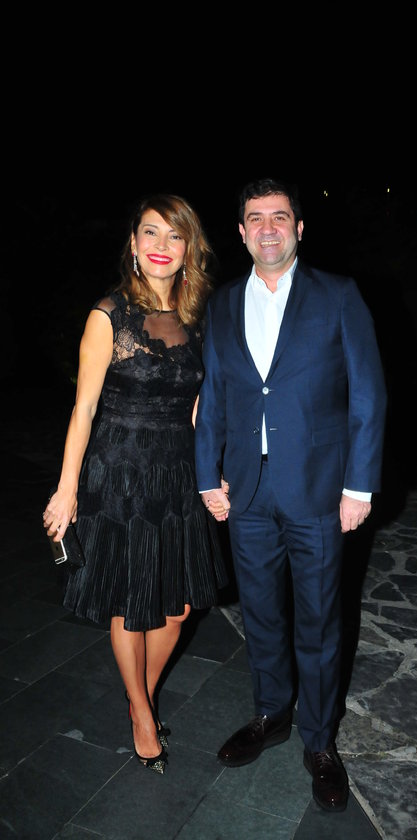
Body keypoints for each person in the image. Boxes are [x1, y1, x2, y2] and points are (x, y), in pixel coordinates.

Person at [194, 178, 387, 811]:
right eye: (256, 218)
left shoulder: (338, 295)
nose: (268, 228)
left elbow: (367, 394)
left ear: (299, 229)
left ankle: (320, 741)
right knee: (261, 613)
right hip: (245, 490)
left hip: (320, 490)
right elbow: (214, 395)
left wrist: (359, 485)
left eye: (280, 217)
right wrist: (207, 475)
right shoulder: (223, 304)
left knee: (320, 619)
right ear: (241, 232)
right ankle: (271, 713)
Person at [43, 194, 228, 775]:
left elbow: (197, 407)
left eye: (175, 235)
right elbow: (83, 408)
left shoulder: (198, 319)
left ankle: (137, 695)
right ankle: (143, 716)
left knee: (179, 606)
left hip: (176, 476)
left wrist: (211, 472)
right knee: (131, 601)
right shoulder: (109, 315)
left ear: (189, 248)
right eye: (151, 232)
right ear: (133, 243)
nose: (161, 246)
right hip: (119, 473)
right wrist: (67, 488)